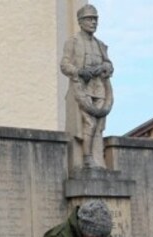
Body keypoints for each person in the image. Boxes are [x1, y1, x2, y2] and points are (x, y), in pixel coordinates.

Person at [60, 4, 114, 169]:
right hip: (81, 89)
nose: (93, 22)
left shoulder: (100, 44)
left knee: (98, 126)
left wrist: (104, 68)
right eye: (90, 19)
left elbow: (109, 65)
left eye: (95, 19)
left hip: (100, 90)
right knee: (89, 123)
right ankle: (87, 158)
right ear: (81, 21)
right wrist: (79, 72)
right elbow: (64, 64)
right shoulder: (73, 42)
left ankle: (98, 159)